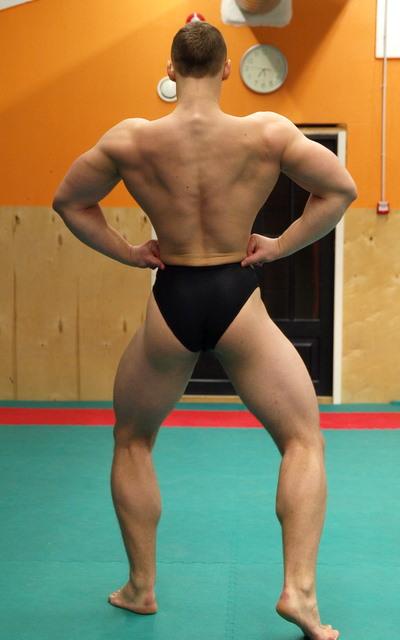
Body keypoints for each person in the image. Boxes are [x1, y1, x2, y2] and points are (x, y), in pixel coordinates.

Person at [53, 21, 357, 640]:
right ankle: (299, 592)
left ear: (170, 70)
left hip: (171, 300)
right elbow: (339, 190)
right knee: (302, 441)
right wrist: (278, 246)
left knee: (132, 440)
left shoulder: (130, 139)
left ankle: (140, 588)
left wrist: (128, 252)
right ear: (225, 69)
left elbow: (70, 202)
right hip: (236, 295)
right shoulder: (267, 132)